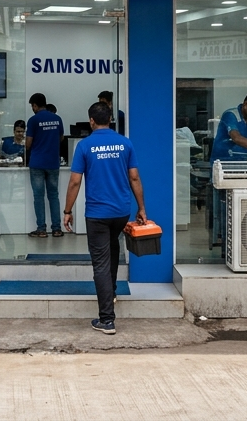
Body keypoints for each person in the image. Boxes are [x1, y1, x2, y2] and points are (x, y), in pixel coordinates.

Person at [63, 101, 147, 335]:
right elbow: (134, 178)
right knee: (112, 251)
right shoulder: (125, 143)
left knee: (100, 263)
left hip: (97, 215)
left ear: (91, 121)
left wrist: (67, 210)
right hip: (121, 212)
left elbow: (75, 181)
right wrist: (141, 208)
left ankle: (107, 319)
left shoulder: (84, 146)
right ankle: (112, 293)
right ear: (110, 119)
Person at [25, 93, 65, 238]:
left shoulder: (33, 120)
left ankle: (41, 229)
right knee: (53, 195)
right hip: (53, 162)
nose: (32, 109)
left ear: (35, 105)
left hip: (37, 163)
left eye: (32, 106)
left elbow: (28, 144)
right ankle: (57, 229)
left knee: (38, 196)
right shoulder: (57, 119)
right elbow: (61, 138)